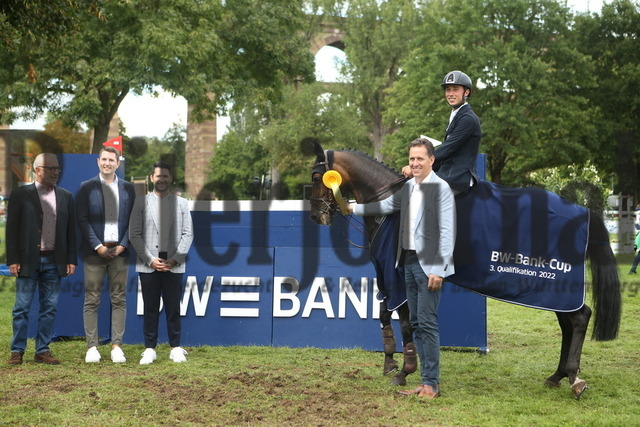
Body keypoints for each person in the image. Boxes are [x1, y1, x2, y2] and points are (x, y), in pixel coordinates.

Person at [348, 137, 456, 399]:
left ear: (432, 160)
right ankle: (425, 382)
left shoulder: (440, 189)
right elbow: (385, 206)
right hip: (406, 262)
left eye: (420, 158)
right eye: (412, 159)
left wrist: (439, 270)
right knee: (417, 323)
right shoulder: (408, 188)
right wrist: (352, 208)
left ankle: (432, 385)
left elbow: (448, 231)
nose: (415, 163)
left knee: (427, 324)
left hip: (428, 266)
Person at [6, 153, 77, 365]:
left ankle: (42, 350)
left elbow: (70, 231)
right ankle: (17, 350)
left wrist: (70, 259)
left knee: (50, 308)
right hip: (28, 260)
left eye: (57, 168)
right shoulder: (20, 194)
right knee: (22, 308)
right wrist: (13, 259)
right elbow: (12, 230)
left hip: (54, 262)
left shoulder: (65, 196)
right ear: (37, 170)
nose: (55, 172)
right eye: (50, 168)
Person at [129, 161, 193, 364]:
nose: (162, 179)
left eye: (166, 176)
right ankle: (150, 348)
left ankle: (175, 347)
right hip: (149, 265)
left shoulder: (182, 203)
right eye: (158, 176)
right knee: (150, 307)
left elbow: (188, 233)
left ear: (170, 178)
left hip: (174, 265)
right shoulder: (140, 202)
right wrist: (150, 260)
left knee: (174, 307)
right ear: (151, 178)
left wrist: (175, 259)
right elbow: (134, 235)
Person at [76, 146, 136, 363]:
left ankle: (116, 346)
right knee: (91, 299)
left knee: (119, 299)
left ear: (118, 164)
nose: (107, 163)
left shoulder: (129, 189)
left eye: (112, 160)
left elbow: (133, 220)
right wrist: (97, 246)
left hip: (120, 252)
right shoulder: (86, 187)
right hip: (94, 253)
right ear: (98, 161)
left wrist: (123, 244)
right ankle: (92, 347)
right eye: (104, 159)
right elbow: (81, 219)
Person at [403, 70, 481, 195]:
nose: (450, 94)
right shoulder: (457, 115)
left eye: (455, 89)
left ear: (466, 92)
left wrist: (417, 166)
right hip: (445, 173)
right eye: (448, 90)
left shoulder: (468, 119)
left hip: (457, 177)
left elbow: (448, 148)